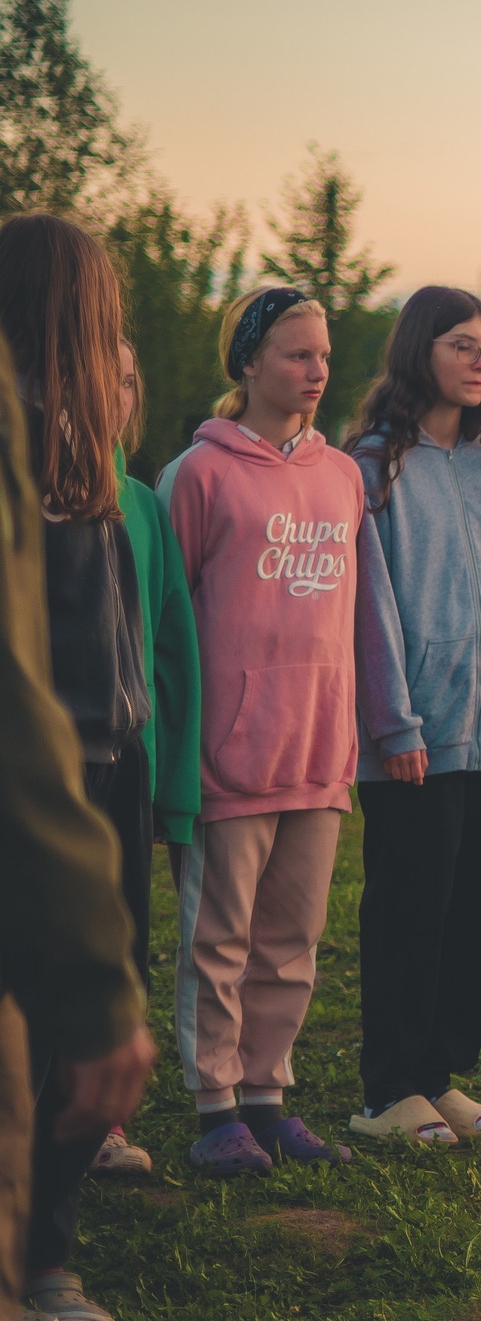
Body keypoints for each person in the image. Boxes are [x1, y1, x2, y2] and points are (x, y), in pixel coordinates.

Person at [157, 284, 372, 1174]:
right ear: (247, 362)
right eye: (295, 353)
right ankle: (215, 1111)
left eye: (322, 354)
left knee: (294, 941)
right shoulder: (199, 474)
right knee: (220, 940)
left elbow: (355, 617)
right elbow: (167, 619)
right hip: (230, 756)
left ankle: (267, 1097)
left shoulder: (343, 475)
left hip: (318, 752)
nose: (316, 369)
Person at [0, 213, 164, 1321]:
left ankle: (47, 1251)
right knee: (36, 1025)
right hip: (40, 779)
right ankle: (21, 1264)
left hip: (116, 760)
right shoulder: (17, 445)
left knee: (90, 1015)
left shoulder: (91, 454)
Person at [347, 285, 481, 1145]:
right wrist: (395, 724)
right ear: (419, 350)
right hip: (416, 736)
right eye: (465, 345)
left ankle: (437, 1076)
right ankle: (387, 1090)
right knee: (409, 905)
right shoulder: (368, 466)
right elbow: (370, 605)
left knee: (473, 908)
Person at [88, 333, 198, 1179]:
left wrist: (177, 785)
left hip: (133, 764)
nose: (119, 395)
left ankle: (102, 1125)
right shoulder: (41, 501)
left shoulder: (143, 503)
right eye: (104, 378)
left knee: (125, 941)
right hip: (53, 765)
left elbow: (174, 653)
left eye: (131, 381)